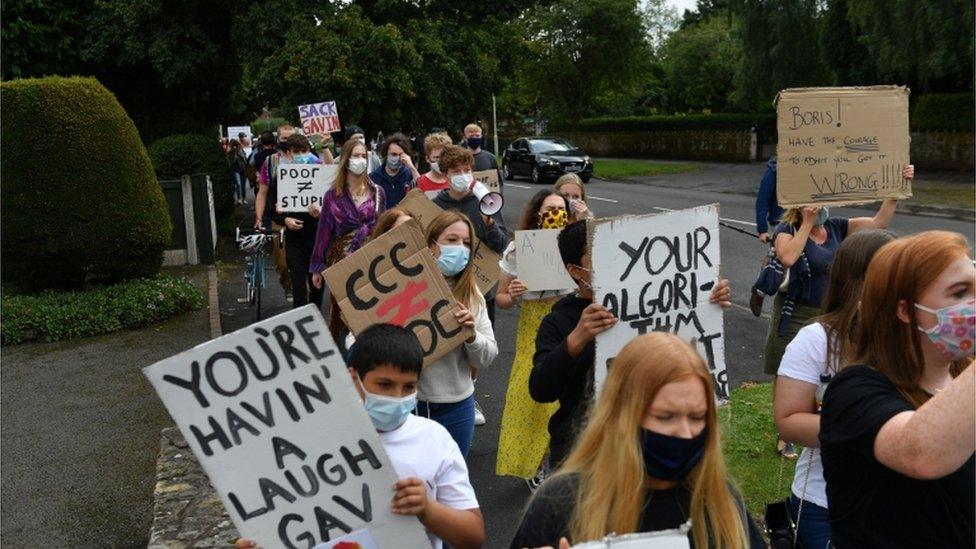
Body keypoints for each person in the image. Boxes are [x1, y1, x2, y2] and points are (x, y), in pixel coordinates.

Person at [235, 324, 485, 549]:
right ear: (353, 378)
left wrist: (428, 509)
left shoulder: (434, 439)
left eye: (408, 387)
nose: (397, 397)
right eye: (384, 385)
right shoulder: (311, 441)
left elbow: (473, 536)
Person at [511, 332, 766, 548]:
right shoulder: (560, 504)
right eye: (666, 417)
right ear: (623, 416)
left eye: (698, 417)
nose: (686, 433)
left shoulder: (721, 503)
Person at [530, 220, 731, 470]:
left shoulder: (652, 300)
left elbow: (682, 345)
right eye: (599, 254)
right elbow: (540, 389)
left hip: (648, 440)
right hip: (584, 451)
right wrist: (576, 339)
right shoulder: (559, 322)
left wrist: (706, 301)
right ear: (575, 271)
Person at [819, 230, 975, 549]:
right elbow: (922, 453)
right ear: (904, 310)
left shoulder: (964, 375)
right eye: (960, 293)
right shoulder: (854, 389)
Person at [763, 164, 913, 457]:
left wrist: (896, 191)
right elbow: (789, 257)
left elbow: (878, 223)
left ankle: (822, 418)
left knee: (827, 371)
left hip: (829, 311)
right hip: (794, 314)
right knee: (789, 371)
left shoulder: (837, 227)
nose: (822, 208)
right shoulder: (786, 230)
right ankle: (787, 433)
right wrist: (806, 222)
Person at [773, 229, 896, 549]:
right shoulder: (816, 340)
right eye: (892, 274)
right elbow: (788, 421)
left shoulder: (911, 336)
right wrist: (875, 430)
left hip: (896, 499)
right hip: (826, 503)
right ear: (859, 280)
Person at [495, 190, 573, 490]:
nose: (556, 213)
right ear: (538, 212)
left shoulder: (574, 244)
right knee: (531, 395)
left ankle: (559, 457)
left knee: (564, 394)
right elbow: (500, 299)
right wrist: (511, 294)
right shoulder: (518, 249)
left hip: (567, 319)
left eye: (561, 208)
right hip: (534, 327)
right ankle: (534, 463)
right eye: (550, 208)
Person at [432, 144, 509, 427]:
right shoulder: (436, 205)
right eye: (456, 171)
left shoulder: (485, 201)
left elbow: (500, 243)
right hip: (445, 286)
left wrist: (489, 222)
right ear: (446, 174)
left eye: (467, 170)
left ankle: (469, 390)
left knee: (475, 339)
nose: (463, 175)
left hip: (480, 287)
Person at [416, 211, 498, 457]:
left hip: (456, 409)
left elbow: (487, 357)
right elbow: (358, 338)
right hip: (407, 406)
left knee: (447, 488)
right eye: (452, 240)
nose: (460, 248)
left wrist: (471, 334)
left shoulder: (472, 295)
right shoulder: (404, 288)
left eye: (466, 243)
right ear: (432, 245)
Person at [309, 140, 385, 343]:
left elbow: (382, 229)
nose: (360, 160)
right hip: (341, 259)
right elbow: (323, 232)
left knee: (368, 306)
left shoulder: (377, 192)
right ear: (345, 160)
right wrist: (317, 267)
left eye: (363, 156)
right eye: (355, 156)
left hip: (370, 258)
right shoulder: (332, 196)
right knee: (342, 309)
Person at [261, 134, 324, 309]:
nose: (302, 155)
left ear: (310, 151)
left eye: (304, 151)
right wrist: (285, 219)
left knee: (317, 283)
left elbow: (331, 209)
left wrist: (320, 214)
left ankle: (316, 315)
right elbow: (273, 212)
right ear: (289, 153)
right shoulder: (280, 179)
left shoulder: (321, 177)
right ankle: (301, 317)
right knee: (298, 283)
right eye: (297, 152)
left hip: (317, 237)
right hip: (294, 238)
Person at [370, 132, 419, 208]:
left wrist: (412, 167)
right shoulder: (374, 177)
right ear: (386, 154)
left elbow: (421, 190)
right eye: (394, 154)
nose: (397, 158)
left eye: (401, 155)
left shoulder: (408, 174)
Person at [462, 123, 503, 192]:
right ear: (465, 138)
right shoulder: (460, 158)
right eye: (471, 136)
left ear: (481, 136)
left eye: (477, 135)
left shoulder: (490, 158)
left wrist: (498, 196)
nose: (475, 138)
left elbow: (498, 181)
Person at [754, 156, 783, 244]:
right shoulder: (774, 169)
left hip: (804, 222)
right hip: (781, 223)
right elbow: (763, 200)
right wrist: (762, 230)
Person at [416, 133, 453, 198]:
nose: (441, 161)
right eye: (436, 157)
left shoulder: (456, 181)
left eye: (444, 156)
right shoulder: (417, 183)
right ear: (427, 158)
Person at [226, 138, 248, 205]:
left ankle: (244, 198)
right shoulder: (231, 152)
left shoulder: (241, 150)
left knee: (243, 185)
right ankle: (239, 199)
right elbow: (231, 160)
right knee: (238, 184)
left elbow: (244, 158)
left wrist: (238, 148)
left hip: (243, 169)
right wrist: (233, 150)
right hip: (235, 169)